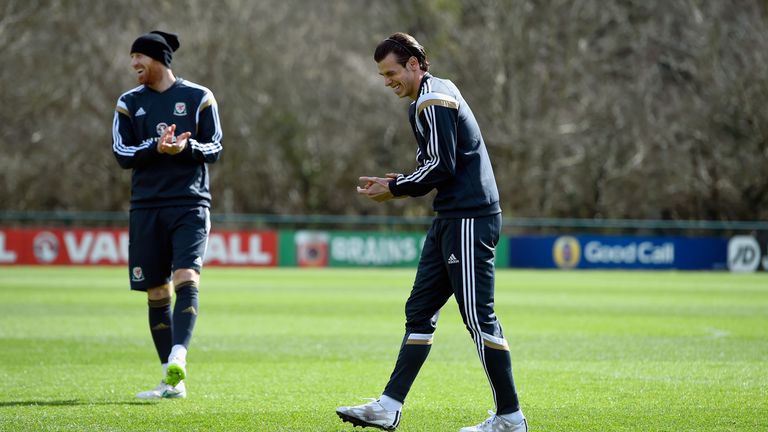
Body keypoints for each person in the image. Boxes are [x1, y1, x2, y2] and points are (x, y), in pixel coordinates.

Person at [336, 32, 527, 432]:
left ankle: (510, 417)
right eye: (382, 75)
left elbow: (442, 166)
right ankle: (388, 406)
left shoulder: (434, 100)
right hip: (450, 219)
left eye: (391, 72)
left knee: (479, 318)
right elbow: (436, 167)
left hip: (470, 218)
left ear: (413, 64)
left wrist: (396, 187)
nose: (387, 81)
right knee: (419, 311)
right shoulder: (429, 98)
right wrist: (401, 181)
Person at [112, 30, 223, 399]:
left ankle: (179, 355)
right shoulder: (128, 102)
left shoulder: (199, 97)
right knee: (156, 290)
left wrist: (185, 146)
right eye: (132, 59)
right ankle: (170, 381)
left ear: (158, 59)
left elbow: (215, 146)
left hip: (190, 202)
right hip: (145, 207)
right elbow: (121, 153)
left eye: (138, 58)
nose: (133, 65)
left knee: (186, 275)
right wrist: (156, 147)